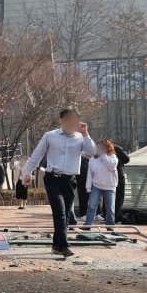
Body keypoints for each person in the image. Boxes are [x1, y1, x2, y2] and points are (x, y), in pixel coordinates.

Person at [23, 107, 95, 256]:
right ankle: (64, 246)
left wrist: (86, 134)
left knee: (66, 214)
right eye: (68, 119)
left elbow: (92, 152)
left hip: (70, 180)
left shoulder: (81, 138)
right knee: (60, 212)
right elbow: (37, 155)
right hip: (53, 178)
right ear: (62, 120)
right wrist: (27, 172)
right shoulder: (50, 136)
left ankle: (56, 245)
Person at [85, 139, 119, 227]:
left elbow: (111, 166)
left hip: (110, 187)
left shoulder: (113, 157)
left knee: (110, 208)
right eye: (98, 147)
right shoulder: (93, 158)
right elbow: (90, 173)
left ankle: (110, 227)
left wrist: (103, 155)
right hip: (96, 186)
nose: (98, 149)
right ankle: (87, 225)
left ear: (107, 148)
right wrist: (88, 186)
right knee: (92, 206)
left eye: (101, 147)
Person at [114, 145, 130, 223]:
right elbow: (127, 159)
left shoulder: (103, 151)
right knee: (119, 197)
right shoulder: (117, 149)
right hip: (118, 176)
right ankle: (116, 215)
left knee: (110, 198)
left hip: (108, 178)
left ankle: (110, 215)